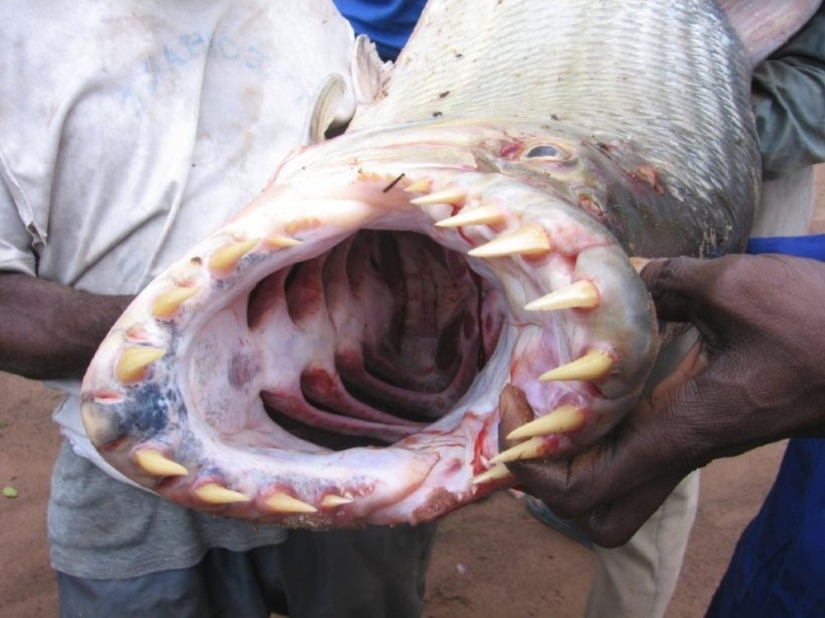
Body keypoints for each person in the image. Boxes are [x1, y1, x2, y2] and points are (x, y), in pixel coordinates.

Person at [0, 1, 434, 616]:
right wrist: (210, 333)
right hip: (134, 466)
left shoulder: (316, 17)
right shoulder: (17, 42)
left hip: (347, 437)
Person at [499, 8, 825, 617]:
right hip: (538, 162)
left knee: (657, 426)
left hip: (706, 201)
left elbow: (816, 82)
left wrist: (681, 135)